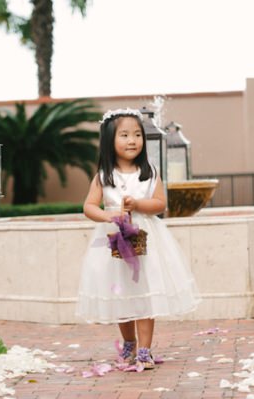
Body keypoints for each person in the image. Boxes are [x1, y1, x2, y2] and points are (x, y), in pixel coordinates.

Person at [75, 108, 201, 369]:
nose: (132, 140)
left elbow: (160, 204)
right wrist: (108, 215)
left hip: (147, 243)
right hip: (115, 241)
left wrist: (139, 204)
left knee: (146, 293)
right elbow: (89, 206)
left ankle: (145, 349)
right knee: (121, 294)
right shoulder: (103, 175)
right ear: (110, 140)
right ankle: (129, 342)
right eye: (124, 135)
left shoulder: (149, 171)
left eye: (137, 135)